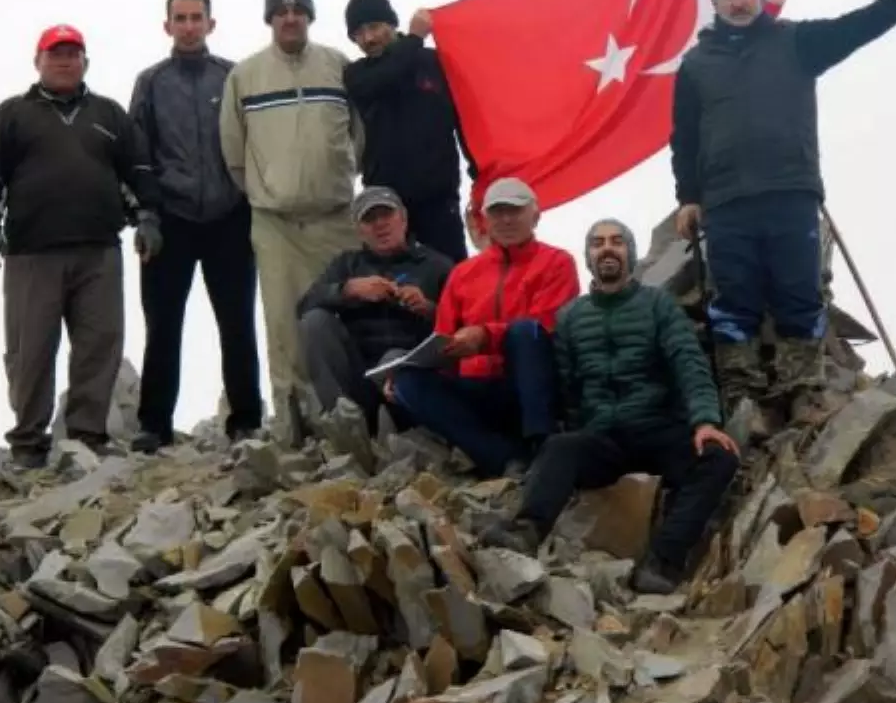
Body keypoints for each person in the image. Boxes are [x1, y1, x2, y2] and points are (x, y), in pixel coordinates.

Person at [670, 0, 896, 424]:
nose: (739, 1)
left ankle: (802, 390)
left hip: (790, 191)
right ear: (715, 3)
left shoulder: (795, 42)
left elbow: (856, 28)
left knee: (799, 292)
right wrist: (688, 196)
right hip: (726, 200)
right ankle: (743, 396)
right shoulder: (696, 65)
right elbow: (685, 136)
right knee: (733, 298)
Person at [484, 218, 740, 595]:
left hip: (656, 429)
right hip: (602, 437)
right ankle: (526, 532)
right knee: (560, 447)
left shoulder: (658, 305)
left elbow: (688, 361)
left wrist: (704, 420)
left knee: (719, 458)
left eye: (618, 241)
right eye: (598, 242)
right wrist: (573, 426)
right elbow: (568, 385)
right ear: (588, 256)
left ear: (630, 254)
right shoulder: (571, 316)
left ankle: (663, 562)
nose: (607, 248)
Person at [0, 24, 162, 470]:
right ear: (38, 61)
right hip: (31, 253)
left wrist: (148, 218)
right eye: (55, 53)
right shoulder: (12, 115)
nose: (65, 60)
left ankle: (88, 437)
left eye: (73, 53)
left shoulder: (110, 115)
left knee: (99, 344)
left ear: (85, 63)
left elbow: (139, 173)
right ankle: (28, 444)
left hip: (99, 251)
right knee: (29, 349)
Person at [219, 0, 364, 443]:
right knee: (283, 323)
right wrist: (268, 192)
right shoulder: (245, 75)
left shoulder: (338, 67)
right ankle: (292, 423)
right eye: (280, 11)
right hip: (275, 223)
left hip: (335, 218)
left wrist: (338, 178)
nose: (289, 17)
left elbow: (360, 135)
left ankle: (349, 413)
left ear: (309, 15)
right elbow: (233, 149)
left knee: (343, 314)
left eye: (298, 9)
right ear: (269, 19)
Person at [128, 0, 263, 453]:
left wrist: (253, 206)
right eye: (180, 18)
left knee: (238, 322)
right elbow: (137, 155)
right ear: (167, 25)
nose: (188, 26)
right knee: (163, 325)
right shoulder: (150, 82)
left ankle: (247, 420)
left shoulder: (234, 76)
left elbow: (254, 144)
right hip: (171, 220)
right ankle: (154, 424)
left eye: (196, 17)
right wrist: (145, 216)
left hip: (230, 217)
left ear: (211, 23)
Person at [389, 177, 579, 477]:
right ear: (484, 220)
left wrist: (484, 336)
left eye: (515, 210)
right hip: (477, 386)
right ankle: (505, 459)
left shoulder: (557, 263)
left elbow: (549, 326)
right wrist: (410, 369)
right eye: (497, 211)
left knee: (525, 332)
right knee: (407, 381)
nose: (505, 219)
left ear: (535, 215)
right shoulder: (463, 274)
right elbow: (443, 340)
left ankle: (542, 446)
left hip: (532, 385)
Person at [297, 186, 453, 462]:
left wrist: (429, 309)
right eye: (370, 219)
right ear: (359, 230)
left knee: (394, 359)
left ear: (403, 219)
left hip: (409, 377)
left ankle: (412, 431)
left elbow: (464, 326)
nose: (380, 225)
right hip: (358, 379)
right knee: (314, 322)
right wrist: (347, 290)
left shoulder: (437, 265)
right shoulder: (346, 264)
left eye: (386, 215)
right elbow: (304, 305)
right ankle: (344, 426)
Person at [342, 0, 477, 263]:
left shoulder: (434, 63)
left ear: (391, 24)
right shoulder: (357, 75)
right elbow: (386, 78)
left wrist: (479, 170)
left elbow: (465, 119)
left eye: (374, 27)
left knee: (452, 284)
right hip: (386, 209)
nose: (368, 39)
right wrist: (414, 38)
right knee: (397, 295)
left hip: (439, 200)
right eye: (358, 33)